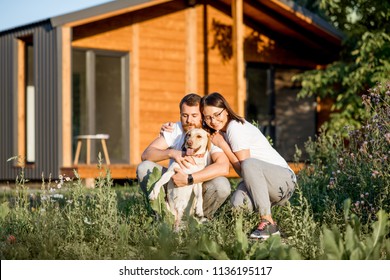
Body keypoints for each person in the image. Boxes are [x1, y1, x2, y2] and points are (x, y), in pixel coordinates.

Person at [200, 92, 296, 239]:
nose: (213, 120)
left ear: (225, 110)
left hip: (283, 180)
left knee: (249, 163)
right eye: (208, 117)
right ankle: (258, 231)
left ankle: (267, 221)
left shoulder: (234, 127)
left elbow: (244, 169)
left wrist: (223, 146)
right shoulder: (220, 132)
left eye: (217, 114)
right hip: (265, 184)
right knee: (237, 205)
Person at [136, 93, 231, 219]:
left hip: (198, 186)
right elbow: (146, 154)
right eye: (185, 115)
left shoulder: (209, 135)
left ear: (202, 116)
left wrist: (189, 179)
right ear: (180, 114)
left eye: (194, 116)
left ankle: (197, 218)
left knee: (222, 185)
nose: (189, 120)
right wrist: (172, 153)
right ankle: (163, 215)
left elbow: (223, 167)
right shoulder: (175, 129)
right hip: (173, 182)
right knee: (144, 167)